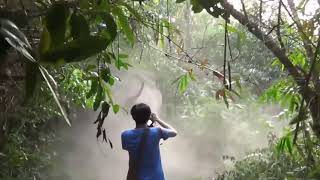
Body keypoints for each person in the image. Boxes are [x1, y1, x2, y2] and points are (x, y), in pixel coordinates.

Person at [121, 103, 177, 180]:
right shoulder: (157, 131)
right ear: (149, 117)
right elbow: (174, 132)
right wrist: (157, 119)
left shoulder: (125, 135)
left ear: (133, 116)